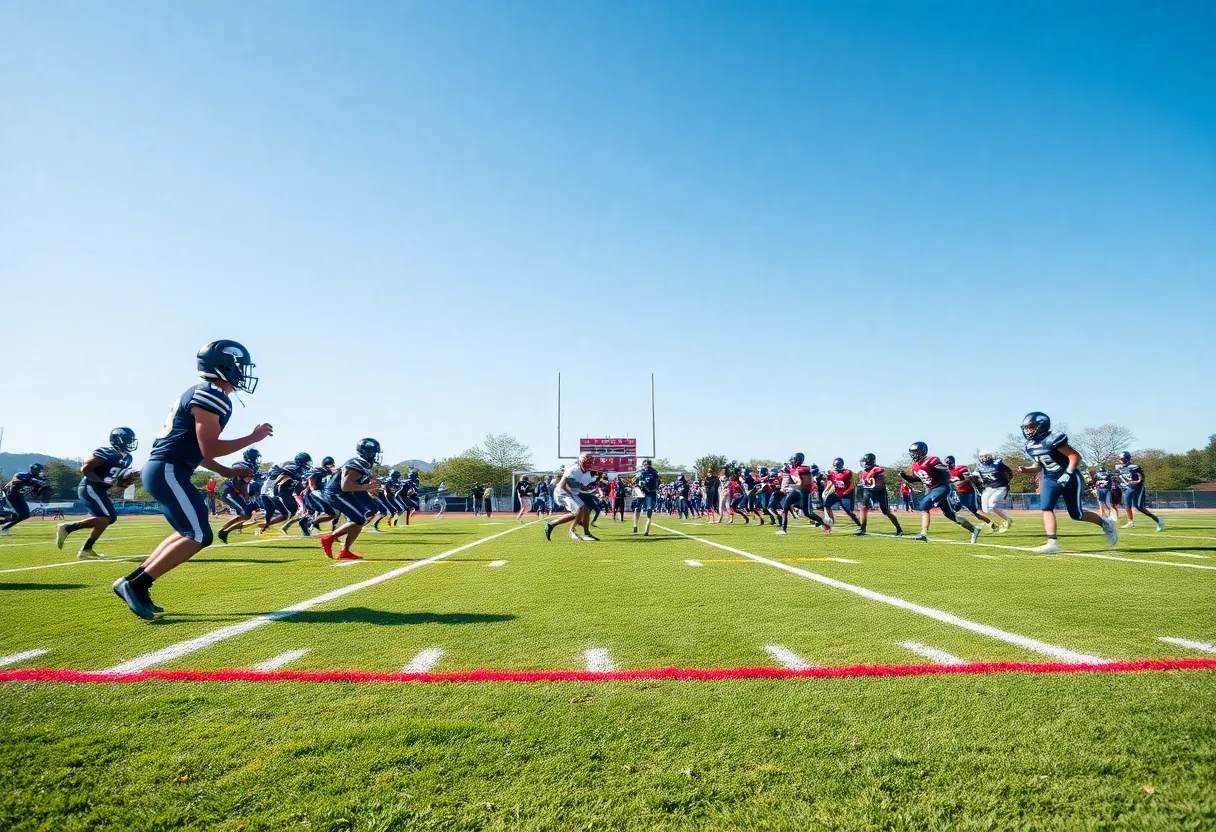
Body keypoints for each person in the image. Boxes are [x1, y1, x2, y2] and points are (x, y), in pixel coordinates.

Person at [112, 340, 270, 620]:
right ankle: (136, 585)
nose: (243, 372)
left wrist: (227, 472)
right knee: (198, 535)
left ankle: (134, 582)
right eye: (240, 366)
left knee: (189, 531)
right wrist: (252, 438)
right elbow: (208, 446)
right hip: (168, 469)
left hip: (167, 468)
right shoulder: (211, 393)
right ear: (225, 366)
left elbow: (200, 453)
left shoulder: (204, 393)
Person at [1016, 412, 1119, 554]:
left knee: (1076, 514)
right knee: (1046, 507)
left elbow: (1075, 456)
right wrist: (1027, 469)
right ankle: (1052, 542)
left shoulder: (1053, 439)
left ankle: (1106, 524)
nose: (1027, 431)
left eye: (1031, 427)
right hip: (1050, 479)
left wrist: (1068, 473)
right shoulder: (1031, 446)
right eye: (1026, 428)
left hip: (1070, 478)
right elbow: (1039, 465)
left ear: (1041, 426)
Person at [55, 428, 139, 557]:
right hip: (90, 487)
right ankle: (68, 529)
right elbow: (86, 469)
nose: (129, 443)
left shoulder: (128, 458)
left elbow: (117, 481)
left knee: (110, 519)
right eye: (127, 440)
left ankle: (86, 549)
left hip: (99, 489)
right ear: (117, 440)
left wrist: (127, 481)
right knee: (105, 518)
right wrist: (101, 482)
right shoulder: (108, 452)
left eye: (130, 440)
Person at [897, 442, 981, 544]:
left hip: (941, 487)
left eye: (916, 452)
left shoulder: (931, 460)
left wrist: (949, 478)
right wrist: (905, 476)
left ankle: (923, 534)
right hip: (932, 489)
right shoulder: (915, 465)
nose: (913, 454)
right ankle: (974, 530)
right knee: (950, 515)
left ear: (923, 451)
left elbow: (946, 471)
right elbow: (920, 478)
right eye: (912, 452)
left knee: (924, 504)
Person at [318, 438, 385, 560]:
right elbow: (346, 486)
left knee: (365, 517)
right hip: (337, 493)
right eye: (374, 452)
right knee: (360, 519)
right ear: (367, 451)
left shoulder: (363, 463)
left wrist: (368, 488)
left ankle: (345, 551)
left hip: (344, 493)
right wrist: (368, 486)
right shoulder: (359, 463)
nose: (376, 455)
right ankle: (329, 539)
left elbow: (354, 484)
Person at [544, 454, 598, 542]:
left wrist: (587, 490)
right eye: (586, 462)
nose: (588, 465)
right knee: (579, 509)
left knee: (585, 511)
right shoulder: (574, 470)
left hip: (570, 493)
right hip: (562, 493)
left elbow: (577, 484)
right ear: (580, 461)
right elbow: (563, 485)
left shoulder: (583, 472)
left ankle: (586, 534)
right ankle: (572, 531)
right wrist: (572, 494)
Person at [214, 448, 261, 543]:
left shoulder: (243, 465)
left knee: (246, 515)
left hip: (233, 491)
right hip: (229, 492)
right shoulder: (247, 468)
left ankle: (224, 531)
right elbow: (242, 485)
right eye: (255, 458)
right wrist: (246, 498)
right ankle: (223, 531)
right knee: (244, 514)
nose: (256, 460)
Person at [776, 453, 828, 535]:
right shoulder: (791, 469)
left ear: (797, 460)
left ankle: (823, 523)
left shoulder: (803, 469)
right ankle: (783, 529)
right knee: (785, 508)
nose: (791, 461)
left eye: (793, 459)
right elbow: (791, 479)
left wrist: (791, 486)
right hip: (795, 491)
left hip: (804, 493)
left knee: (808, 513)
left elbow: (804, 485)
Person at [855, 453, 903, 536]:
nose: (864, 463)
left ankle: (899, 529)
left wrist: (873, 484)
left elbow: (879, 482)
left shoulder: (877, 469)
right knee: (863, 508)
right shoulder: (864, 471)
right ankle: (862, 529)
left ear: (870, 461)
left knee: (886, 511)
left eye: (865, 461)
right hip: (868, 491)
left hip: (879, 491)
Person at [1116, 451, 1164, 531]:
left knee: (1139, 507)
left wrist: (1137, 481)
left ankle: (1158, 520)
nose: (1120, 460)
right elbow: (1120, 477)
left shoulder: (1135, 466)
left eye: (1122, 458)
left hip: (1137, 487)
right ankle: (1130, 522)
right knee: (1127, 505)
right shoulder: (1119, 467)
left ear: (1126, 459)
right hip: (1128, 488)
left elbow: (1141, 477)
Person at [945, 455, 996, 530]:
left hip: (969, 491)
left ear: (952, 462)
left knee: (975, 512)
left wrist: (959, 483)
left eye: (948, 463)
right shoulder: (946, 472)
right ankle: (964, 523)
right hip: (959, 492)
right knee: (954, 509)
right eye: (946, 463)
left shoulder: (960, 468)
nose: (947, 465)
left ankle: (991, 523)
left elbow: (968, 479)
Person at [0, 463, 49, 535]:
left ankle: (5, 528)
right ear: (35, 470)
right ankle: (5, 528)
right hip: (10, 495)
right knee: (11, 515)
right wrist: (31, 482)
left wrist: (42, 490)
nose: (42, 473)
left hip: (19, 497)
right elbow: (16, 479)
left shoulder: (36, 481)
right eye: (40, 471)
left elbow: (35, 494)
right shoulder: (22, 475)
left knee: (25, 515)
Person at [974, 450, 1014, 532]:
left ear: (989, 456)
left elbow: (1009, 472)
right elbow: (978, 477)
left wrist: (1006, 481)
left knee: (992, 506)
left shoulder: (998, 464)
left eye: (984, 456)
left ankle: (1007, 520)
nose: (983, 458)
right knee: (985, 510)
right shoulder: (979, 466)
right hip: (988, 488)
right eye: (981, 456)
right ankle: (993, 524)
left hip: (1000, 487)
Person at [823, 458, 862, 528]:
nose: (835, 467)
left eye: (837, 465)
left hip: (846, 494)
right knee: (826, 505)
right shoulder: (831, 473)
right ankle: (831, 522)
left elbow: (851, 486)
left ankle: (858, 522)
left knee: (849, 512)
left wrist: (845, 493)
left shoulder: (847, 472)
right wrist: (827, 489)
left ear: (841, 465)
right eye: (834, 465)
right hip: (836, 493)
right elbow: (831, 483)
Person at [633, 459, 660, 535]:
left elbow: (657, 482)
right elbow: (634, 481)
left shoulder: (654, 473)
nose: (646, 466)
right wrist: (638, 484)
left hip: (651, 493)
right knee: (637, 508)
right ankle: (635, 525)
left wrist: (653, 487)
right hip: (642, 492)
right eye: (645, 464)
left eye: (647, 464)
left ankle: (647, 528)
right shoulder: (640, 472)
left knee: (649, 509)